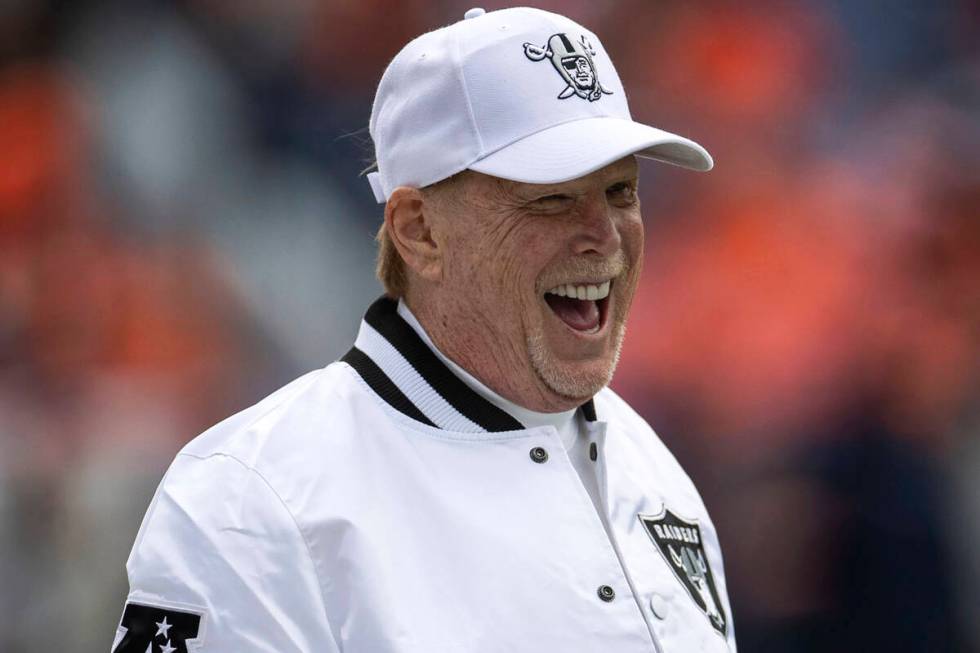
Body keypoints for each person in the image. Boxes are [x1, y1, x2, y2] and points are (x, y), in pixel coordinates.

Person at [110, 7, 736, 653]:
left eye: (621, 192)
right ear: (418, 229)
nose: (603, 236)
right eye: (551, 198)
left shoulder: (648, 464)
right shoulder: (253, 499)